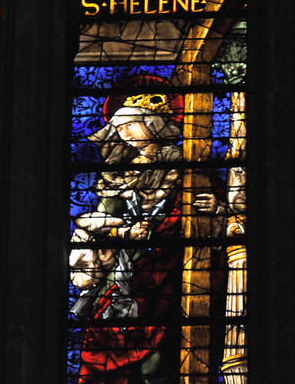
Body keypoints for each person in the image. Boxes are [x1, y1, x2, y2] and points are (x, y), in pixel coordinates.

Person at [70, 93, 223, 383]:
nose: (123, 133)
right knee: (102, 349)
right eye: (119, 127)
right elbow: (98, 223)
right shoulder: (118, 173)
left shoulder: (186, 166)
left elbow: (215, 214)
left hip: (172, 275)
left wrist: (216, 210)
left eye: (130, 124)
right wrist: (123, 232)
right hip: (125, 276)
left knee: (162, 358)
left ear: (153, 124)